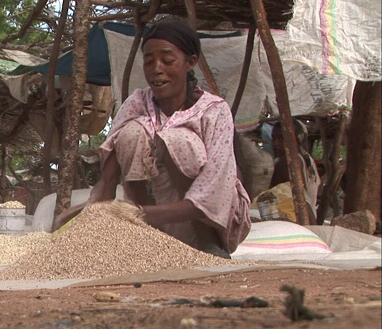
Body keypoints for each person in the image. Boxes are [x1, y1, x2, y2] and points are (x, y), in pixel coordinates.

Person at [53, 20, 251, 257]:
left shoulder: (213, 110)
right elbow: (108, 180)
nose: (157, 69)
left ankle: (208, 243)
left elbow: (216, 187)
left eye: (167, 61)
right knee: (131, 133)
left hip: (207, 217)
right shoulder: (138, 103)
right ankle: (149, 238)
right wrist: (88, 218)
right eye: (149, 62)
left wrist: (140, 213)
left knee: (177, 140)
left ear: (190, 62)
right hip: (150, 217)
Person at [269, 119, 321, 223]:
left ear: (296, 140)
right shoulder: (306, 158)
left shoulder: (288, 162)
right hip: (307, 219)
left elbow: (299, 198)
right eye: (273, 138)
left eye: (281, 139)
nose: (275, 144)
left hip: (296, 220)